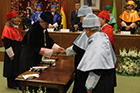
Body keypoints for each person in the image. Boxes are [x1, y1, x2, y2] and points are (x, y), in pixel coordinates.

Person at [77, 13, 116, 93]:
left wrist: (89, 86)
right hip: (107, 76)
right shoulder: (102, 37)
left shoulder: (96, 43)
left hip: (101, 81)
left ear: (87, 30)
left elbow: (97, 68)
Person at [66, 5, 93, 93]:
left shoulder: (89, 31)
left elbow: (78, 48)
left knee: (81, 84)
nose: (80, 21)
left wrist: (65, 51)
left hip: (83, 64)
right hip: (87, 62)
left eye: (81, 18)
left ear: (86, 17)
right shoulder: (91, 29)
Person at [1, 10, 23, 89]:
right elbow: (7, 44)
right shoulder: (7, 28)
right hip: (11, 51)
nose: (18, 19)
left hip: (18, 51)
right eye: (16, 18)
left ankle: (17, 82)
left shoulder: (17, 28)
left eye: (18, 17)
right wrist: (11, 54)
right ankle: (11, 83)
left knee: (16, 67)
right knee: (10, 67)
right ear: (11, 20)